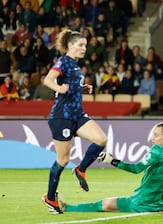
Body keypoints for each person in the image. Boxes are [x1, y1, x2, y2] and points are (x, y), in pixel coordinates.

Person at [42, 29, 108, 214]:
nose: (84, 48)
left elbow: (71, 85)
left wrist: (82, 89)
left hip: (77, 114)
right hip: (61, 117)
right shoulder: (63, 61)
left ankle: (81, 169)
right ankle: (50, 197)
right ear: (70, 46)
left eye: (85, 45)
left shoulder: (76, 66)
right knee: (62, 159)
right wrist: (58, 88)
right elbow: (47, 80)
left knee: (101, 139)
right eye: (80, 45)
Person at [60, 121, 163, 213]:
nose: (153, 138)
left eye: (156, 135)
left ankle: (67, 208)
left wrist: (113, 161)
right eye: (153, 134)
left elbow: (136, 169)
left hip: (143, 202)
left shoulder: (157, 150)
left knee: (105, 204)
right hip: (160, 202)